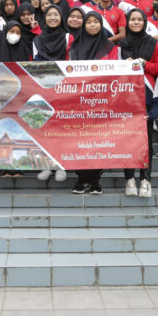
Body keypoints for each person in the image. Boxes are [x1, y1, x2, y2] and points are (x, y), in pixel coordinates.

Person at [67, 11, 119, 195]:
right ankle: (81, 180)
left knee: (98, 141)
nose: (92, 25)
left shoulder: (110, 47)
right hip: (77, 101)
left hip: (101, 101)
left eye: (95, 22)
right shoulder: (74, 45)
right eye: (88, 22)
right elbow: (68, 70)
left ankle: (96, 180)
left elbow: (114, 71)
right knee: (79, 141)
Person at [118, 9, 158, 197]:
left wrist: (144, 64)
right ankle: (129, 179)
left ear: (145, 22)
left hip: (147, 97)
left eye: (139, 19)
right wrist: (124, 65)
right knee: (127, 140)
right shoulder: (120, 45)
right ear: (127, 22)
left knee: (146, 141)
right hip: (125, 98)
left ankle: (145, 179)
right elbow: (113, 69)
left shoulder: (154, 43)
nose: (136, 22)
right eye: (132, 19)